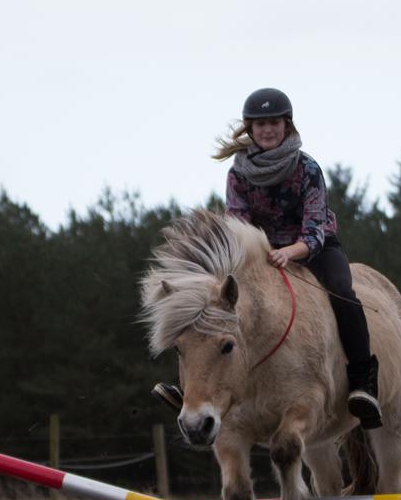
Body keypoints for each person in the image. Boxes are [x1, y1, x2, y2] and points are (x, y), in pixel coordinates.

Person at [153, 87, 382, 429]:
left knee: (342, 291)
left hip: (313, 249)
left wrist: (291, 251)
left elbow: (315, 229)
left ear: (287, 125)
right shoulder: (238, 173)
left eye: (274, 122)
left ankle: (363, 381)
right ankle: (192, 391)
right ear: (250, 128)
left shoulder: (307, 168)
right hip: (261, 254)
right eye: (260, 124)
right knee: (206, 307)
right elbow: (238, 224)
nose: (267, 130)